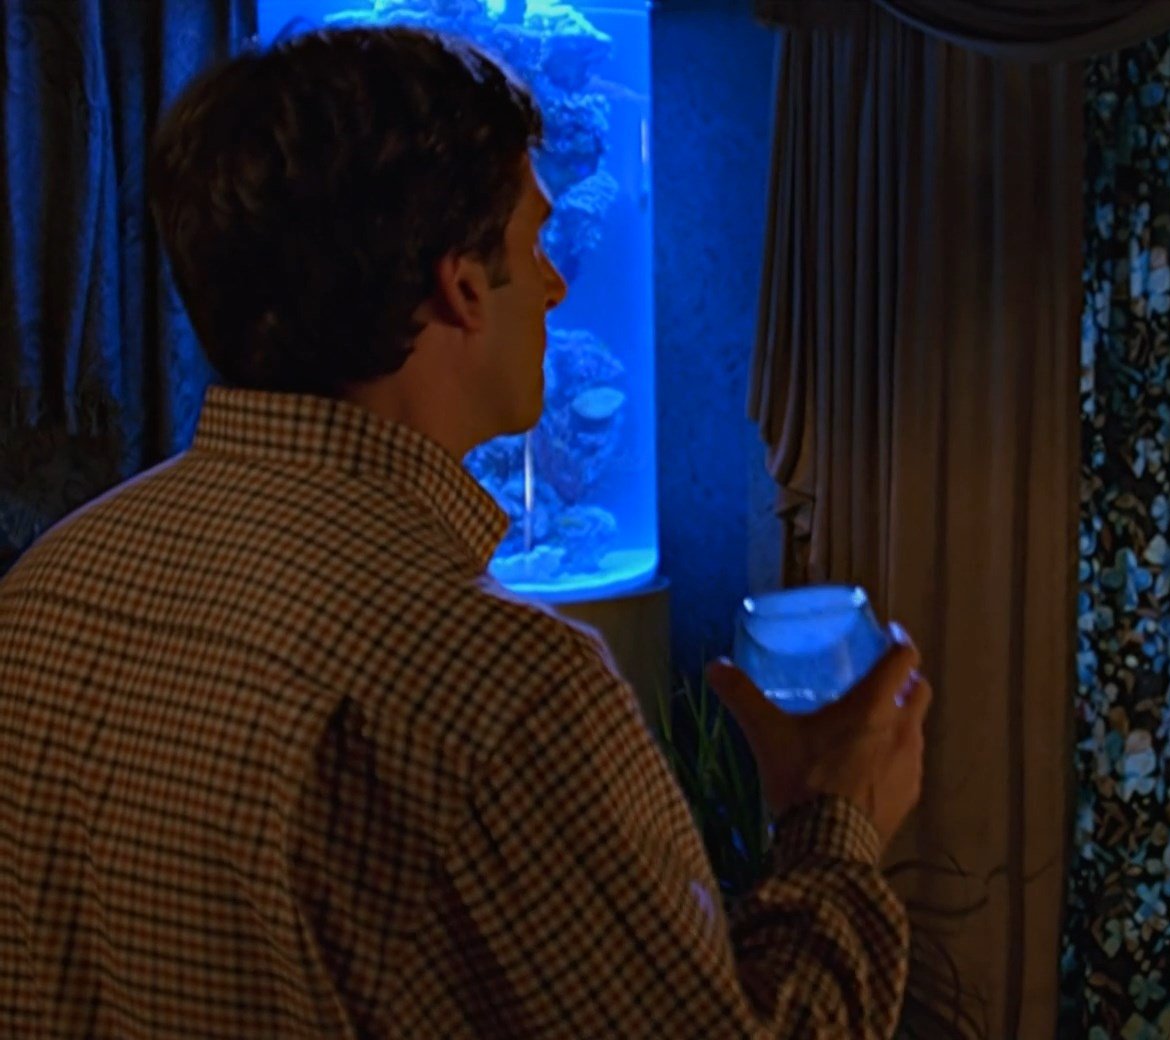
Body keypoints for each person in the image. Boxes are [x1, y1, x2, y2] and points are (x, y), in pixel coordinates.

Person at [0, 25, 931, 1039]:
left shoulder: (47, 590)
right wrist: (835, 817)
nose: (557, 284)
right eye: (535, 243)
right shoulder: (504, 691)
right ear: (460, 285)